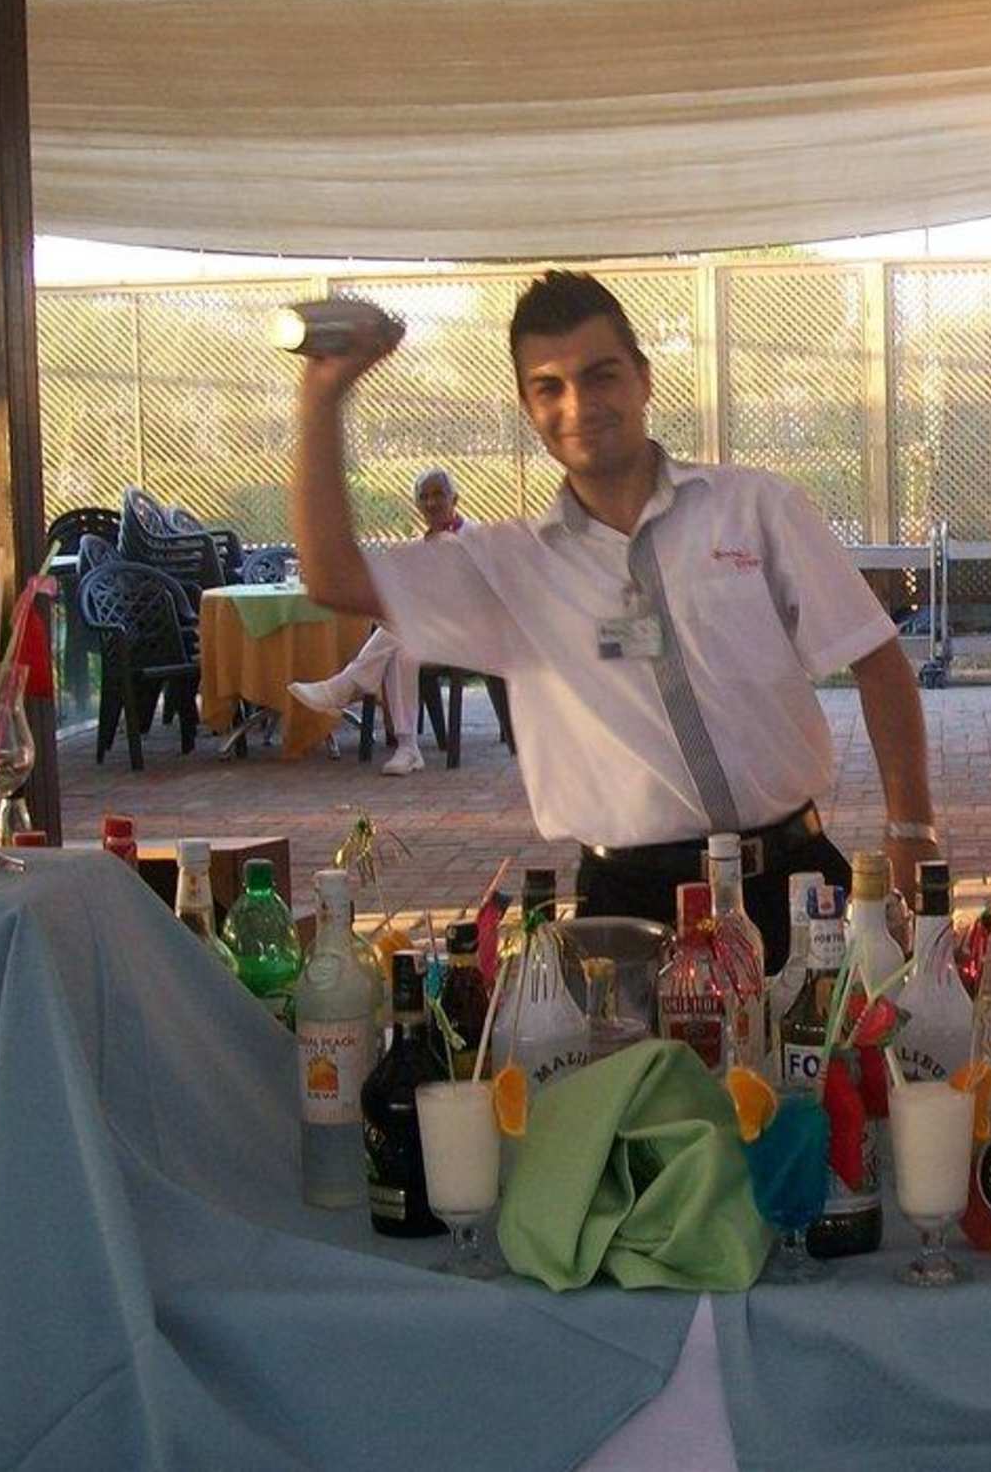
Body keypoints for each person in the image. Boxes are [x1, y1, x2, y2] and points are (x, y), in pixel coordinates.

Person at [290, 270, 936, 973]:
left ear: (644, 380)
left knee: (835, 1045)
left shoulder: (754, 509)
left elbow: (878, 661)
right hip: (629, 909)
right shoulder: (510, 569)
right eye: (549, 387)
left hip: (793, 884)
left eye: (601, 376)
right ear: (527, 407)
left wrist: (911, 832)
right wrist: (324, 393)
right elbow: (332, 576)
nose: (579, 404)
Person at [287, 467, 467, 775]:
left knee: (402, 628)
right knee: (403, 649)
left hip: (470, 634)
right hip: (425, 633)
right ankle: (407, 747)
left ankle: (346, 684)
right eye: (423, 497)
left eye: (438, 494)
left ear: (455, 498)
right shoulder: (419, 546)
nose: (431, 503)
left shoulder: (472, 538)